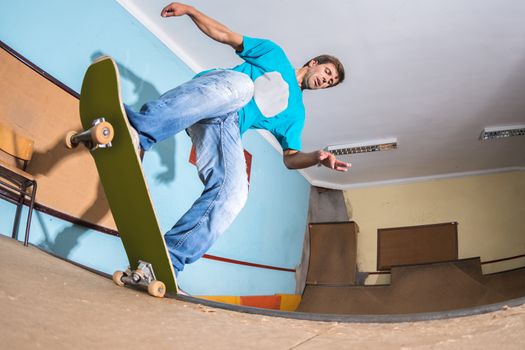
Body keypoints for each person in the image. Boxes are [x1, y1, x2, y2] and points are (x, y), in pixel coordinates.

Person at [125, 2, 351, 275]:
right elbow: (225, 35)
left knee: (235, 194)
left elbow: (290, 159)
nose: (326, 80)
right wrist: (190, 11)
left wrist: (315, 157)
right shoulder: (274, 54)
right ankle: (140, 132)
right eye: (327, 73)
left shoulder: (296, 115)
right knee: (244, 87)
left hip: (224, 127)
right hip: (214, 92)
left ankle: (166, 260)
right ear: (313, 63)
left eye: (330, 82)